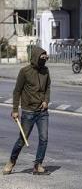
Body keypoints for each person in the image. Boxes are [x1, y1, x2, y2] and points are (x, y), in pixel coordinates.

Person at [2, 46, 51, 175]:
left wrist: (46, 101)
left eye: (45, 59)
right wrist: (14, 110)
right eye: (41, 59)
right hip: (28, 111)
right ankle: (11, 161)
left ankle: (38, 165)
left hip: (42, 112)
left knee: (44, 138)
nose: (43, 61)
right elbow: (17, 91)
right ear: (35, 57)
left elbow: (48, 88)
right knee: (22, 140)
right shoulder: (25, 72)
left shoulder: (46, 71)